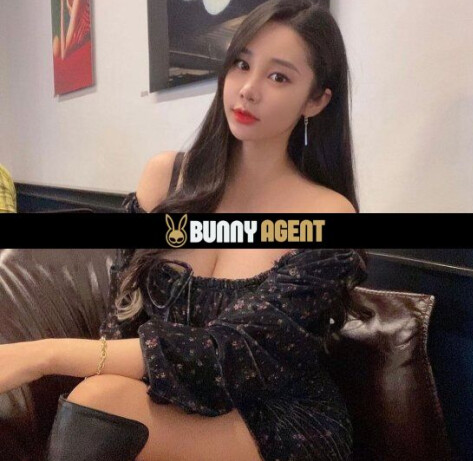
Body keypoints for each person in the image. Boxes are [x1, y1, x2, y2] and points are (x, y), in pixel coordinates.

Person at [0, 1, 369, 459]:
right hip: (170, 404)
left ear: (316, 100)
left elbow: (229, 355)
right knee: (99, 403)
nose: (248, 89)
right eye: (241, 64)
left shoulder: (325, 213)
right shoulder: (166, 180)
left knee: (99, 407)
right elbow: (123, 315)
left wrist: (43, 355)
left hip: (273, 419)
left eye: (278, 77)